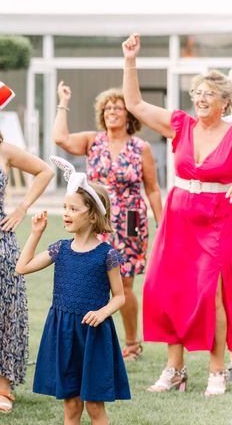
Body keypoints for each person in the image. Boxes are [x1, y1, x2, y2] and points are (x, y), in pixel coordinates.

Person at [122, 33, 232, 395]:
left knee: (210, 295)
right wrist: (131, 60)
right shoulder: (181, 124)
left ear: (225, 103)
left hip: (218, 221)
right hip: (179, 218)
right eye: (197, 93)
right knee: (171, 291)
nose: (200, 99)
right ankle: (175, 370)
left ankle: (218, 371)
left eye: (208, 94)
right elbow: (135, 103)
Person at [53, 81, 163, 361]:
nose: (112, 112)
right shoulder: (93, 141)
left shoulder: (141, 147)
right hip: (96, 219)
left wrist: (161, 222)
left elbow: (151, 188)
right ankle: (93, 336)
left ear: (130, 115)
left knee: (124, 285)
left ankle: (132, 344)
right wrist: (63, 102)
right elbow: (60, 139)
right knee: (92, 278)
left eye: (118, 107)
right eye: (107, 108)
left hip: (130, 222)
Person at [16, 156, 130, 425]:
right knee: (70, 406)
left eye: (73, 209)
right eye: (65, 207)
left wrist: (103, 312)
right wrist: (36, 233)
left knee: (94, 406)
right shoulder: (60, 249)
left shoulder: (107, 255)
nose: (66, 213)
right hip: (64, 333)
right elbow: (23, 267)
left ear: (92, 215)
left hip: (94, 335)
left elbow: (120, 297)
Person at [0, 78, 54, 412]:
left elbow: (45, 171)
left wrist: (21, 208)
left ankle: (4, 389)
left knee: (5, 312)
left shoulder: (2, 150)